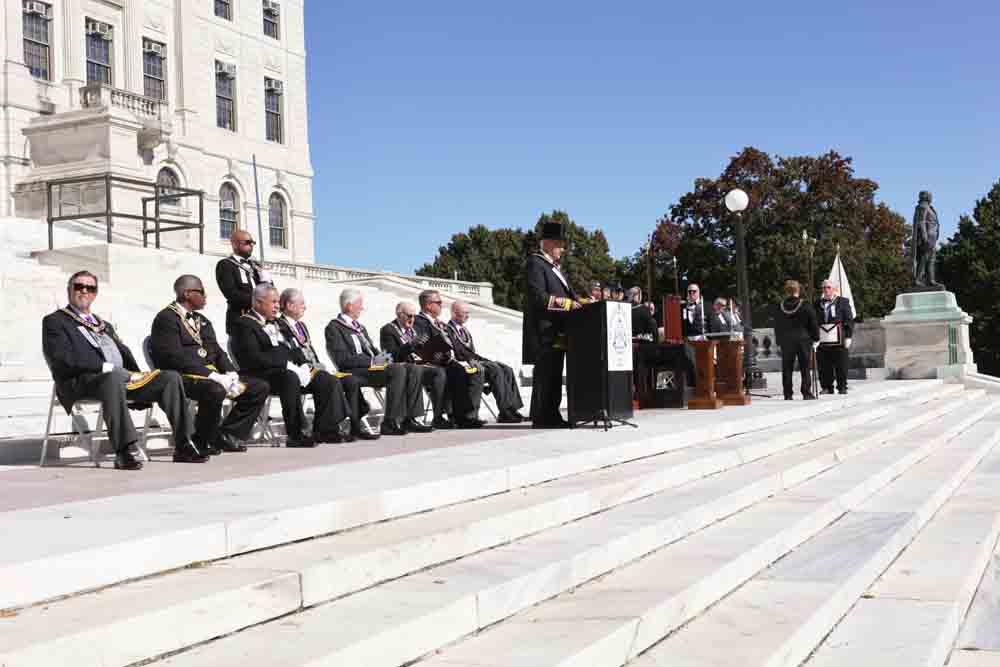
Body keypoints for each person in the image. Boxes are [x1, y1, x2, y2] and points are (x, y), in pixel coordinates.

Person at [42, 270, 203, 469]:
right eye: (79, 286)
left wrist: (137, 374)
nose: (84, 291)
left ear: (95, 293)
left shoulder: (104, 324)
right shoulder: (55, 321)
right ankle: (124, 450)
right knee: (111, 378)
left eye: (90, 288)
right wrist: (104, 367)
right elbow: (61, 359)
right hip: (80, 381)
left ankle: (184, 444)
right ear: (69, 290)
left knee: (169, 378)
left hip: (118, 379)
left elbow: (122, 356)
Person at [150, 274, 269, 455]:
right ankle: (201, 440)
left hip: (212, 375)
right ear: (187, 293)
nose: (205, 296)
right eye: (201, 292)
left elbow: (217, 351)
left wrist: (230, 372)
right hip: (183, 376)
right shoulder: (166, 319)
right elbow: (173, 357)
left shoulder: (202, 320)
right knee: (214, 390)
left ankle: (227, 435)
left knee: (258, 387)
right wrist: (212, 376)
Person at [230, 285, 352, 446]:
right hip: (260, 373)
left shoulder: (275, 323)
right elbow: (253, 358)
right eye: (273, 302)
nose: (277, 306)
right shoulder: (244, 324)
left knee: (325, 379)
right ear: (258, 302)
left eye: (277, 302)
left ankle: (325, 429)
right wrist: (286, 364)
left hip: (283, 370)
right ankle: (296, 433)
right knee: (290, 377)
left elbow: (291, 349)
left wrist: (304, 365)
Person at [325, 288, 432, 436]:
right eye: (359, 305)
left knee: (412, 368)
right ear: (349, 306)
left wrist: (386, 358)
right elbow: (342, 359)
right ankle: (390, 422)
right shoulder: (334, 327)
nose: (362, 308)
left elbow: (374, 351)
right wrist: (373, 361)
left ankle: (410, 419)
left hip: (373, 369)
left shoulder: (360, 327)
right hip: (355, 371)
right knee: (397, 370)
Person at [278, 288, 377, 441]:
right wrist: (307, 365)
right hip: (296, 371)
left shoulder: (301, 325)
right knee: (330, 381)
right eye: (302, 303)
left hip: (312, 369)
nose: (305, 307)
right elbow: (287, 351)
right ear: (290, 305)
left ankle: (328, 428)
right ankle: (328, 429)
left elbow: (308, 348)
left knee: (339, 379)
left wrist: (317, 364)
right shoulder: (279, 325)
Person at [523, 220, 580, 428]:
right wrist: (568, 304)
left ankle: (551, 415)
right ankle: (543, 417)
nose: (562, 250)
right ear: (547, 243)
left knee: (555, 375)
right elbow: (538, 297)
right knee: (546, 375)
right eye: (559, 245)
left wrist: (582, 302)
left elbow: (570, 295)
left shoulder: (555, 269)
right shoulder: (535, 263)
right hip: (544, 331)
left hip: (558, 330)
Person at [414, 290, 486, 429]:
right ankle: (452, 417)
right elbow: (423, 345)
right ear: (428, 305)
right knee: (454, 372)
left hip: (451, 361)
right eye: (438, 302)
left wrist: (467, 359)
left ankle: (468, 415)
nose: (441, 305)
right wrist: (445, 358)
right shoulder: (418, 322)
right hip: (434, 362)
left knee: (475, 371)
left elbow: (455, 345)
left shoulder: (440, 323)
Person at [448, 300, 526, 424]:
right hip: (464, 365)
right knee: (495, 368)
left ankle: (512, 409)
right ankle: (505, 411)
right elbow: (457, 352)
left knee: (506, 368)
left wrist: (486, 360)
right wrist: (475, 361)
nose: (467, 316)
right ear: (454, 313)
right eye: (464, 313)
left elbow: (472, 352)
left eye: (468, 313)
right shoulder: (448, 329)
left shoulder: (464, 330)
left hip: (474, 361)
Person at [379, 301, 450, 429]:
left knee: (439, 372)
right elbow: (390, 355)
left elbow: (425, 350)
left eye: (414, 316)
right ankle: (411, 419)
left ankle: (438, 416)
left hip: (421, 365)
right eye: (409, 316)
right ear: (399, 314)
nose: (412, 319)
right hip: (403, 369)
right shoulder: (388, 330)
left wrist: (437, 353)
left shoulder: (415, 330)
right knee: (415, 370)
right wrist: (410, 345)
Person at [215, 230, 273, 334]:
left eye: (253, 242)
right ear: (235, 244)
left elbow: (270, 294)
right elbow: (232, 294)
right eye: (247, 242)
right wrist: (259, 302)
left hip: (262, 320)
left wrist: (268, 282)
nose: (251, 245)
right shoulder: (226, 265)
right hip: (241, 318)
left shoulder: (256, 266)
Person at [776, 279, 819, 401]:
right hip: (803, 340)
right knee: (805, 367)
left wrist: (779, 341)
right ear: (798, 290)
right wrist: (816, 338)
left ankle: (787, 393)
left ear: (786, 291)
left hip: (786, 340)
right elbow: (813, 323)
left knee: (787, 368)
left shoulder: (780, 306)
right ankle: (806, 392)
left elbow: (777, 326)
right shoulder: (805, 305)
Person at [815, 279, 854, 395]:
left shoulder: (842, 302)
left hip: (839, 339)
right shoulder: (817, 303)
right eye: (824, 288)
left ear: (834, 289)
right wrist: (814, 337)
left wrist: (848, 336)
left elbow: (849, 320)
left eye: (828, 287)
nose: (826, 290)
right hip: (823, 339)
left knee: (841, 364)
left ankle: (842, 386)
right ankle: (827, 387)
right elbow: (814, 321)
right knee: (823, 365)